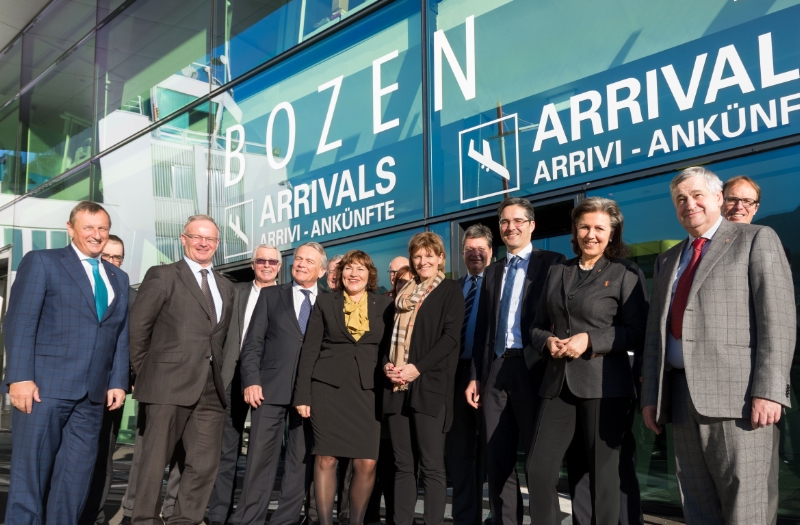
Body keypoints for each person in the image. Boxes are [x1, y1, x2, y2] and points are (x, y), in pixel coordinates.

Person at [641, 166, 795, 525]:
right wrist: (651, 396)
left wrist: (770, 390)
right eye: (681, 199)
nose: (689, 204)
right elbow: (654, 335)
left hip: (739, 400)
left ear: (717, 198)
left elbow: (777, 319)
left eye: (697, 195)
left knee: (746, 507)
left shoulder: (755, 239)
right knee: (697, 505)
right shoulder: (668, 259)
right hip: (680, 398)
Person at [2, 201, 130, 524]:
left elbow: (118, 334)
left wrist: (117, 380)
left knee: (74, 484)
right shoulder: (42, 262)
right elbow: (20, 323)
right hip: (42, 392)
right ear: (70, 228)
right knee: (30, 481)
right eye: (88, 227)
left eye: (102, 228)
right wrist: (19, 378)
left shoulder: (118, 277)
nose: (96, 234)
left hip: (92, 398)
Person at [526, 197, 648, 524]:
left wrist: (590, 340)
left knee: (603, 478)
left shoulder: (625, 272)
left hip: (604, 385)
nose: (590, 234)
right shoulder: (558, 271)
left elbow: (638, 331)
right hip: (557, 384)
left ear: (612, 233)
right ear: (575, 230)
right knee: (538, 468)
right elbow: (536, 326)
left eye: (599, 228)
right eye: (584, 227)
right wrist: (547, 341)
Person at [129, 214, 236, 524]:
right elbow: (138, 329)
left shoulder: (226, 286)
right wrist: (147, 374)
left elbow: (223, 340)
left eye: (210, 238)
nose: (203, 243)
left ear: (217, 244)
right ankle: (144, 520)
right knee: (154, 462)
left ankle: (185, 520)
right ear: (183, 239)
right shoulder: (162, 275)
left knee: (203, 464)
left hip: (210, 389)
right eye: (196, 236)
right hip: (167, 384)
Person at [466, 198, 565, 525]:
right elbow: (482, 328)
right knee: (498, 460)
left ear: (532, 225)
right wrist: (475, 375)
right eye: (505, 222)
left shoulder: (553, 263)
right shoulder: (493, 271)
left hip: (534, 369)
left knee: (539, 463)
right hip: (496, 371)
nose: (511, 227)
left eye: (518, 220)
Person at [295, 250, 394, 525]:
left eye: (360, 269)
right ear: (341, 274)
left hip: (368, 392)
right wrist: (302, 395)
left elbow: (389, 349)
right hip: (328, 390)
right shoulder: (326, 302)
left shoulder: (385, 305)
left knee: (367, 462)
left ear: (370, 274)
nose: (354, 274)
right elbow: (310, 350)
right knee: (326, 459)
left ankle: (356, 521)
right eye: (349, 268)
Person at [234, 242, 328, 525]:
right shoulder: (271, 295)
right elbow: (252, 343)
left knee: (299, 462)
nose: (300, 264)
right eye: (298, 258)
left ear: (322, 271)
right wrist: (251, 380)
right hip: (269, 389)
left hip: (309, 393)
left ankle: (285, 520)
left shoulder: (330, 301)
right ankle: (249, 519)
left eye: (309, 261)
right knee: (259, 460)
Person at [383, 232, 465, 525]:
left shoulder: (450, 290)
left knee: (431, 467)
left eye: (429, 255)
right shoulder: (402, 294)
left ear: (441, 258)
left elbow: (450, 338)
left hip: (430, 387)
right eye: (417, 256)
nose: (423, 261)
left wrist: (417, 368)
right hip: (397, 387)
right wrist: (386, 366)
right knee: (403, 466)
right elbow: (387, 342)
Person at [207, 244, 282, 525]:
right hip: (232, 377)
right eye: (261, 261)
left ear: (279, 267)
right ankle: (219, 514)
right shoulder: (234, 293)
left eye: (272, 261)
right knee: (226, 449)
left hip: (269, 382)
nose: (267, 265)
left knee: (260, 454)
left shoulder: (286, 297)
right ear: (252, 265)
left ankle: (248, 514)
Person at [80, 235, 134, 525]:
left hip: (111, 389)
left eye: (118, 257)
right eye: (108, 256)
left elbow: (135, 341)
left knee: (104, 455)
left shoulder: (130, 293)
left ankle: (96, 515)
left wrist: (127, 378)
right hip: (73, 384)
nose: (113, 262)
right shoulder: (81, 285)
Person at [449, 225, 493, 525]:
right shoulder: (454, 288)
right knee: (460, 454)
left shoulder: (499, 283)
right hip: (456, 377)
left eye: (480, 249)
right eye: (468, 249)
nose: (474, 254)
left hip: (490, 377)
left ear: (491, 251)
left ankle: (500, 516)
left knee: (495, 451)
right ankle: (466, 519)